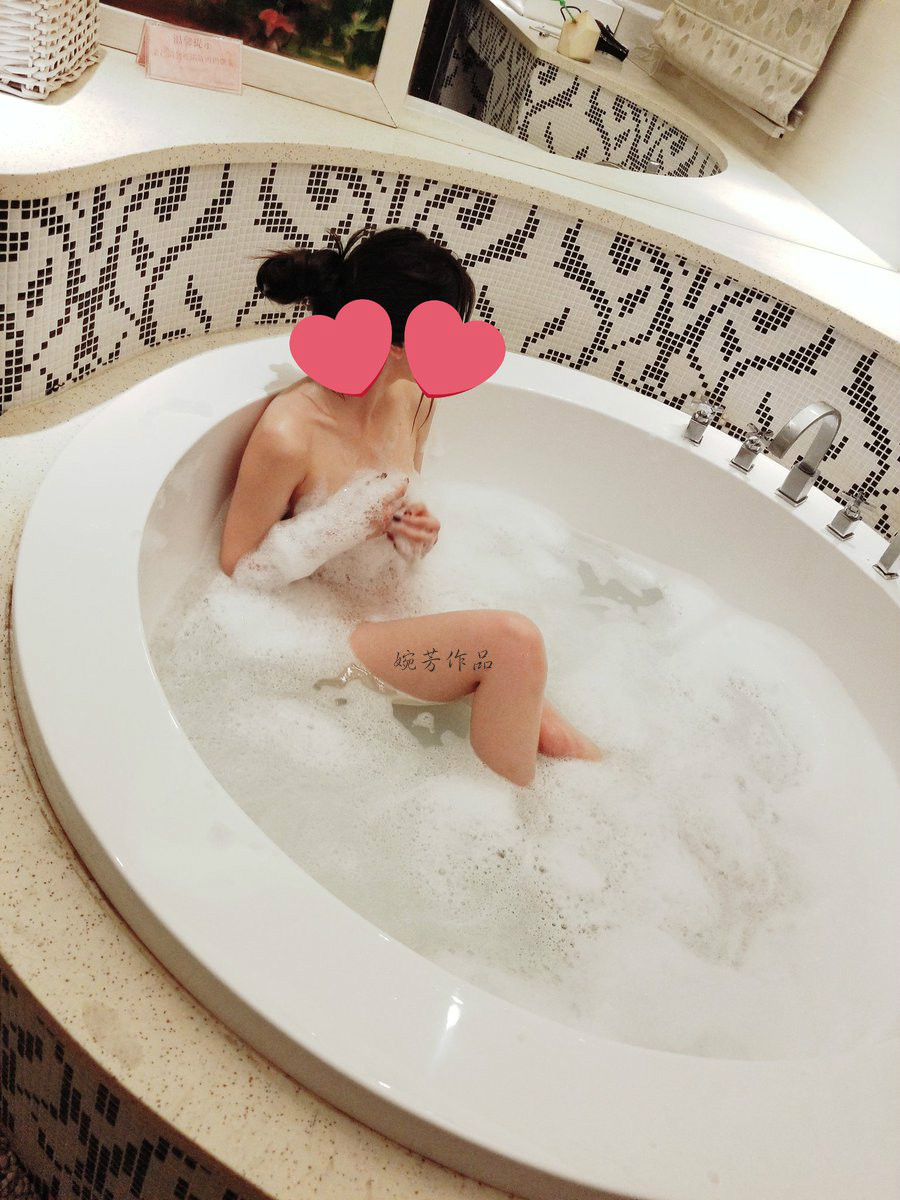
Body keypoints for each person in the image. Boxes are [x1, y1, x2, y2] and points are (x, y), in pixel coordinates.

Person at [220, 225, 602, 786]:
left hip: (402, 616)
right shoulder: (291, 432)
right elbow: (239, 566)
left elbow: (397, 513)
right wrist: (340, 525)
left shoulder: (412, 399)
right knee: (512, 642)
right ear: (396, 343)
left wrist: (413, 533)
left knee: (560, 739)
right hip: (331, 635)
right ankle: (505, 823)